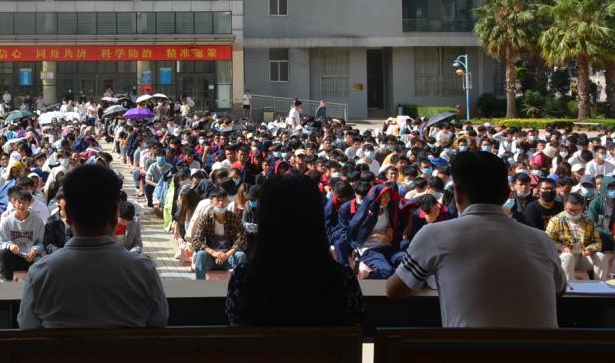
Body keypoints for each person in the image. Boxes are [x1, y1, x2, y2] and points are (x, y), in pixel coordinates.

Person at [387, 151, 566, 328]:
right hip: (542, 347)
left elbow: (395, 291)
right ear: (507, 194)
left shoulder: (434, 235)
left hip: (469, 347)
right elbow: (559, 289)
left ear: (457, 193)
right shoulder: (542, 240)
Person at [17, 164, 168, 328]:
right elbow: (159, 322)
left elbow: (27, 326)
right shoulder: (144, 270)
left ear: (68, 216)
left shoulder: (40, 273)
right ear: (114, 215)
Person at [226, 174, 363, 325]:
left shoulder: (242, 279)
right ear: (316, 215)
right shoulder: (345, 280)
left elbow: (236, 327)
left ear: (264, 216)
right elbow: (356, 324)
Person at [545, 192, 605, 281]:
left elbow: (597, 242)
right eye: (570, 210)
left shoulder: (589, 221)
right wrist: (561, 246)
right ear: (564, 207)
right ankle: (569, 286)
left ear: (582, 208)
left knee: (600, 256)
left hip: (582, 256)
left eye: (577, 210)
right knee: (568, 257)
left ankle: (600, 285)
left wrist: (589, 249)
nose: (573, 213)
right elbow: (547, 240)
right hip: (563, 257)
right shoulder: (555, 221)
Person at [191, 189, 247, 280]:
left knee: (241, 255)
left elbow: (242, 240)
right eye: (218, 200)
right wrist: (214, 253)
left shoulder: (234, 218)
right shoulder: (205, 218)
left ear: (227, 201)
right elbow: (196, 240)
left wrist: (227, 255)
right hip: (210, 257)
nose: (221, 203)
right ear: (211, 202)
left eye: (223, 200)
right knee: (200, 254)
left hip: (228, 257)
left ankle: (240, 285)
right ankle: (200, 284)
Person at [0, 188, 45, 280]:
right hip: (13, 257)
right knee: (3, 253)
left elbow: (42, 242)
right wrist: (10, 245)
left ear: (29, 203)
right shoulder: (6, 221)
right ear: (14, 203)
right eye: (19, 202)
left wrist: (35, 250)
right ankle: (7, 281)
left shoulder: (38, 221)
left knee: (42, 262)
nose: (21, 205)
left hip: (31, 257)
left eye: (25, 202)